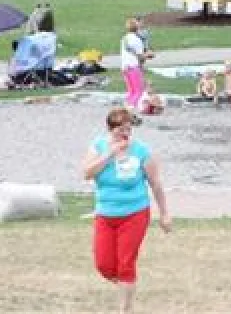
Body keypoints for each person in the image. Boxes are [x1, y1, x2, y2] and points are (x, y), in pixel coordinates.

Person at [83, 107, 171, 314]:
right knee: (103, 264)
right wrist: (109, 154)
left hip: (135, 213)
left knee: (126, 263)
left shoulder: (141, 151)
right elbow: (87, 173)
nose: (124, 134)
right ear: (109, 129)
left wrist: (164, 213)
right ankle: (127, 284)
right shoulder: (98, 147)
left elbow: (156, 184)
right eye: (120, 130)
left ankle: (125, 308)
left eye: (128, 129)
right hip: (106, 213)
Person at [120, 18, 153, 110]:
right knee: (138, 91)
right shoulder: (136, 40)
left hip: (125, 67)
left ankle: (126, 106)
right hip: (133, 67)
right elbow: (140, 56)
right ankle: (129, 109)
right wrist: (149, 55)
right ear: (137, 27)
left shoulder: (124, 38)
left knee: (131, 91)